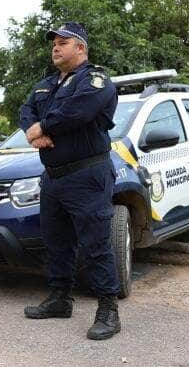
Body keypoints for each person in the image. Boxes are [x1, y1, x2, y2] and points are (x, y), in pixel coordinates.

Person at [19, 22, 122, 340]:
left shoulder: (95, 79)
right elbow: (25, 110)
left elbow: (79, 110)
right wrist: (31, 131)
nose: (56, 47)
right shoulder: (45, 84)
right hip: (53, 177)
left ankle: (108, 309)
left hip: (86, 174)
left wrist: (44, 127)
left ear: (81, 48)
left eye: (63, 42)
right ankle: (60, 298)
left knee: (95, 244)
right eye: (54, 42)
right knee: (56, 242)